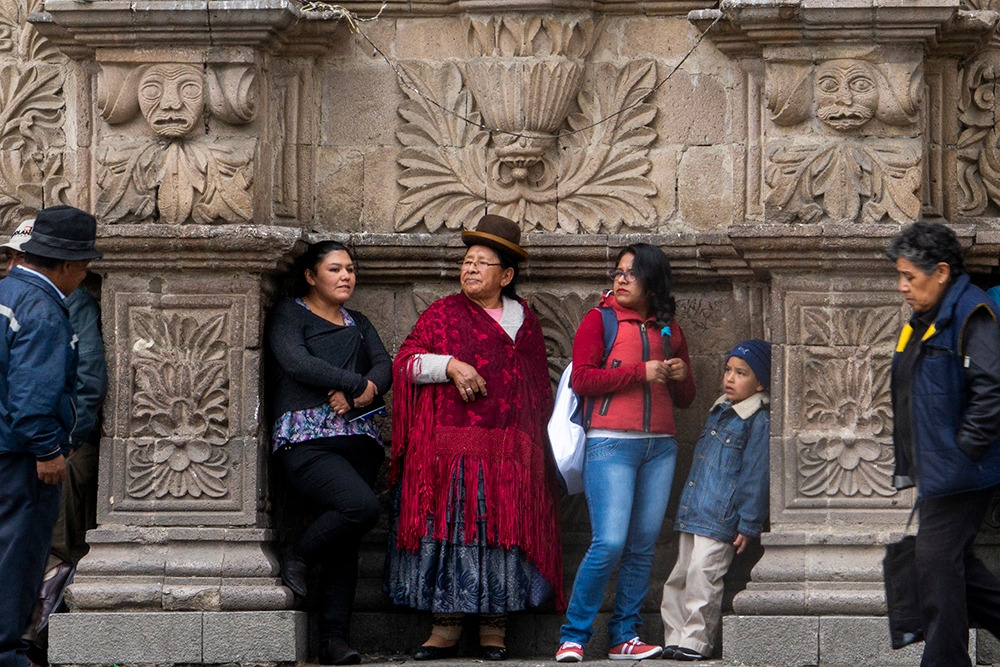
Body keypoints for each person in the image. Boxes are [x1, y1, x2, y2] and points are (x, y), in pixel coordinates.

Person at [386, 214, 564, 661]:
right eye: (467, 261)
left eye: (482, 263)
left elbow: (537, 389)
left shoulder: (525, 323)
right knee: (451, 531)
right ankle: (444, 628)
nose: (470, 268)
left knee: (501, 533)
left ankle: (494, 630)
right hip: (449, 455)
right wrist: (449, 365)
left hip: (509, 455)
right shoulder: (442, 314)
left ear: (506, 275)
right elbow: (405, 363)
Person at [556, 243, 696, 663]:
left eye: (630, 273)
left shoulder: (670, 329)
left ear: (652, 282)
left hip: (660, 447)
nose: (620, 279)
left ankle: (625, 636)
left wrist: (681, 375)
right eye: (617, 272)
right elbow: (582, 380)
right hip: (610, 443)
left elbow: (686, 399)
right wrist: (640, 372)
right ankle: (573, 636)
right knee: (609, 542)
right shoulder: (598, 320)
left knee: (643, 545)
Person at [265, 240, 391, 666]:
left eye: (350, 269)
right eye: (335, 269)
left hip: (359, 441)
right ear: (310, 276)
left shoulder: (359, 322)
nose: (345, 277)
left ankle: (334, 640)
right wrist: (354, 384)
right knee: (360, 508)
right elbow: (296, 362)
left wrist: (361, 393)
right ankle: (298, 554)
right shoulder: (290, 313)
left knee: (345, 544)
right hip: (307, 443)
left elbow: (384, 366)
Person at [887, 221, 1000, 667]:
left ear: (941, 272)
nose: (902, 287)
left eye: (909, 277)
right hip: (939, 467)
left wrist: (962, 450)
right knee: (954, 568)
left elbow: (992, 390)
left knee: (934, 564)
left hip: (961, 471)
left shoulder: (971, 314)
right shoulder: (926, 320)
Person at [0, 220, 108, 663]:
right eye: (83, 266)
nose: (84, 275)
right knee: (19, 556)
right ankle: (7, 652)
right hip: (22, 454)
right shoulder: (43, 309)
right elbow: (33, 394)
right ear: (66, 264)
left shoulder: (6, 293)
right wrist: (48, 449)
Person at [660, 340, 771, 661]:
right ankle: (674, 636)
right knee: (679, 576)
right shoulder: (720, 411)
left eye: (741, 373)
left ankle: (696, 640)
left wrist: (748, 523)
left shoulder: (758, 420)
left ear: (760, 384)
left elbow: (756, 475)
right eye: (728, 370)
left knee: (703, 575)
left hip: (722, 516)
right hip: (695, 509)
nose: (730, 378)